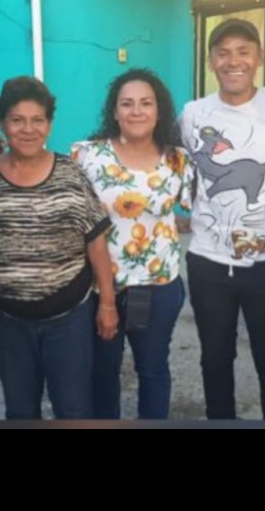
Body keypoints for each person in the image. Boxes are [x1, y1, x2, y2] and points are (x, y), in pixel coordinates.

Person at [179, 18, 265, 419]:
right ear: (211, 61)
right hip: (207, 262)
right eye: (223, 53)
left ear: (258, 57)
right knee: (214, 360)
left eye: (243, 51)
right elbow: (180, 164)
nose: (233, 61)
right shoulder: (193, 114)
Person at [0, 76, 117, 419]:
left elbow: (96, 241)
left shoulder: (70, 173)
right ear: (2, 124)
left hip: (69, 320)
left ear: (49, 124)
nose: (28, 129)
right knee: (20, 411)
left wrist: (107, 303)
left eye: (38, 120)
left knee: (73, 409)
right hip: (8, 323)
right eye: (17, 120)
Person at [72, 68, 194, 419]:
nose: (136, 111)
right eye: (127, 104)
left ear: (159, 110)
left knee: (153, 370)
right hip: (99, 288)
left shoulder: (178, 159)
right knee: (102, 374)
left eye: (146, 103)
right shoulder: (87, 156)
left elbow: (198, 210)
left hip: (158, 286)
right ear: (114, 111)